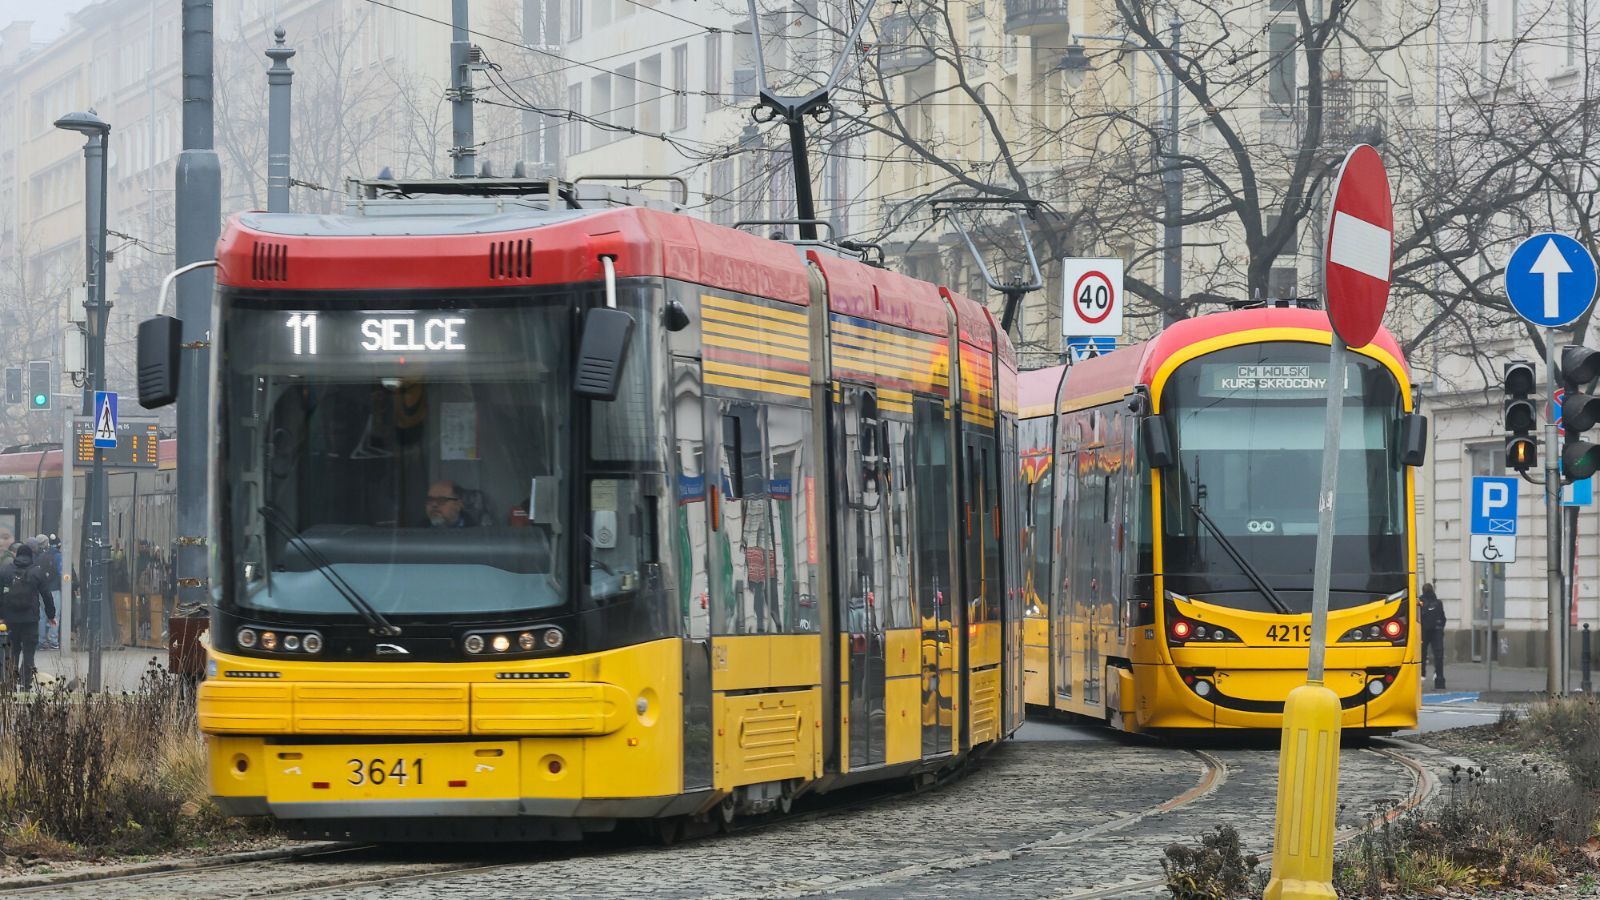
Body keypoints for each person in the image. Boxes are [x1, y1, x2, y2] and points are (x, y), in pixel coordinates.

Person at [1, 543, 56, 690]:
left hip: (10, 619)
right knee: (29, 652)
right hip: (30, 620)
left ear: (17, 555)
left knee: (12, 652)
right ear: (30, 556)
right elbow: (47, 595)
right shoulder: (37, 572)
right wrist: (51, 615)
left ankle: (10, 685)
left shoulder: (6, 571)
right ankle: (26, 685)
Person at [1419, 583, 1447, 690]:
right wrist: (1440, 628)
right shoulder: (1438, 602)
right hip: (1436, 631)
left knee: (1421, 654)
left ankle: (1421, 675)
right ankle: (1439, 678)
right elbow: (1443, 618)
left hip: (1423, 632)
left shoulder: (1419, 603)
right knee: (1438, 655)